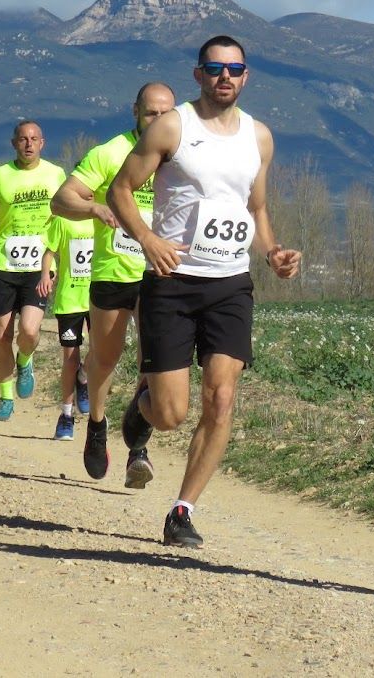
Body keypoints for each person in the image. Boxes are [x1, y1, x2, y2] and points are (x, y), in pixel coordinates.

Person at [108, 37, 301, 547]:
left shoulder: (259, 137)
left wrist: (273, 251)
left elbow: (255, 207)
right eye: (215, 68)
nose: (225, 77)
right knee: (170, 414)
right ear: (199, 75)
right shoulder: (173, 126)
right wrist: (148, 239)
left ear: (246, 75)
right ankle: (144, 407)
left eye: (235, 68)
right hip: (171, 284)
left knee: (222, 397)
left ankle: (182, 510)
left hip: (230, 283)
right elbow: (120, 190)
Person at [51, 82, 176, 488]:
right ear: (135, 111)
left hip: (157, 275)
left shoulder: (180, 156)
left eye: (166, 113)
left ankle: (138, 448)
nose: (158, 120)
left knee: (152, 362)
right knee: (105, 358)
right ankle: (98, 425)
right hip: (111, 274)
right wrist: (94, 206)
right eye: (151, 113)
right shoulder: (108, 153)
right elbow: (60, 200)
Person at [0, 120, 66, 421]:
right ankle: (5, 396)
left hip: (40, 265)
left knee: (29, 330)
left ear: (42, 143)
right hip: (4, 263)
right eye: (23, 139)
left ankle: (25, 360)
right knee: (2, 334)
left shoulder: (56, 174)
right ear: (14, 143)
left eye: (34, 139)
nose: (28, 144)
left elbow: (66, 212)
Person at [39, 214, 94, 440]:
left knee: (103, 352)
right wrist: (45, 275)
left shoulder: (105, 214)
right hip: (70, 298)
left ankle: (83, 376)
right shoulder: (62, 220)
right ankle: (66, 416)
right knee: (70, 359)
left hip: (98, 297)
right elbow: (49, 252)